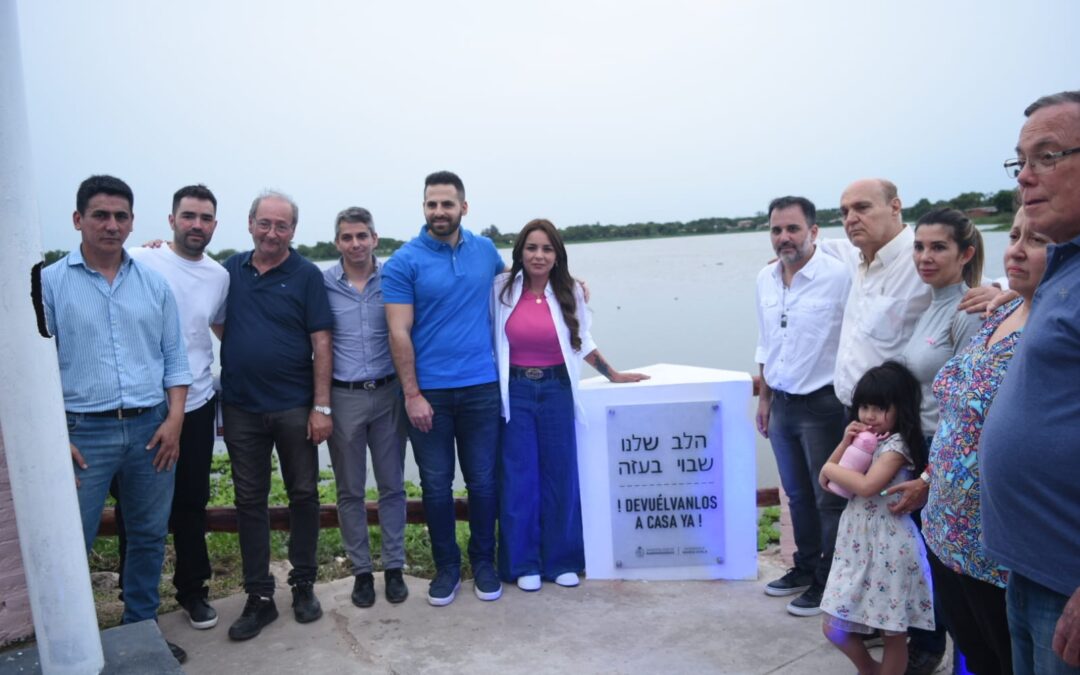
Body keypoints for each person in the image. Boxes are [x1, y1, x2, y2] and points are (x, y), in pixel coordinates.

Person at [42, 175, 192, 663]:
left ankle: (140, 633)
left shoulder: (154, 283)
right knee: (72, 542)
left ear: (132, 221)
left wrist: (174, 421)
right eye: (101, 215)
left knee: (149, 535)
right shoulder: (49, 284)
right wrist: (52, 435)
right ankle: (73, 643)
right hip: (84, 433)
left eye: (121, 216)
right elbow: (32, 365)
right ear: (77, 219)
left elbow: (175, 357)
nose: (112, 225)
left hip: (152, 429)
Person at [911, 208, 1048, 675]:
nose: (1017, 249)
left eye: (1039, 239)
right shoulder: (999, 308)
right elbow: (961, 417)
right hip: (947, 537)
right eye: (1014, 235)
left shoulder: (1053, 331)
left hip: (998, 552)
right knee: (976, 656)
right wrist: (929, 478)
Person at [493, 219, 647, 592]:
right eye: (532, 247)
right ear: (520, 252)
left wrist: (612, 374)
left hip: (558, 389)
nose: (539, 255)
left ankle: (562, 560)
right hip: (515, 390)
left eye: (547, 249)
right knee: (519, 478)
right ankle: (523, 563)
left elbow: (582, 340)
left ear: (558, 254)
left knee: (561, 475)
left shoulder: (571, 291)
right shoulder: (501, 288)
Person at [981, 90, 1080, 674]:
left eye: (1047, 155)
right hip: (1031, 568)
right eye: (1020, 160)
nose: (1025, 176)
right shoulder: (1063, 270)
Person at [383, 171, 505, 607]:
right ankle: (447, 567)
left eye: (447, 204)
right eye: (432, 205)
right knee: (436, 486)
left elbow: (521, 290)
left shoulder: (486, 252)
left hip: (481, 388)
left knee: (484, 482)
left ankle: (484, 563)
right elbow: (399, 332)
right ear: (423, 209)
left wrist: (574, 285)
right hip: (429, 394)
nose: (439, 212)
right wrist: (412, 394)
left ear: (463, 208)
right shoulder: (404, 261)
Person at [218, 190, 334, 640]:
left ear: (293, 230)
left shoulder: (306, 275)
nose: (271, 232)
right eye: (264, 223)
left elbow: (321, 342)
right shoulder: (229, 270)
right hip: (243, 406)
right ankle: (259, 597)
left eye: (281, 225)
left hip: (294, 406)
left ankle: (303, 584)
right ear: (249, 224)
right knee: (250, 501)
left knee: (304, 494)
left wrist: (321, 406)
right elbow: (208, 309)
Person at [115, 185, 229, 631]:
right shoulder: (142, 260)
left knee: (191, 502)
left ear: (214, 225)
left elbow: (219, 330)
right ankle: (134, 603)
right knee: (135, 508)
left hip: (198, 403)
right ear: (170, 220)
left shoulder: (219, 276)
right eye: (188, 216)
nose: (196, 225)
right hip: (145, 407)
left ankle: (193, 591)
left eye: (204, 218)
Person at [754, 196, 851, 616]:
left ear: (813, 231)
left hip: (824, 404)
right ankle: (804, 567)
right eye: (776, 229)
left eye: (793, 229)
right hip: (782, 404)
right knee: (795, 494)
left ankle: (827, 582)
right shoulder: (765, 278)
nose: (784, 238)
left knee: (828, 497)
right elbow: (766, 339)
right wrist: (765, 399)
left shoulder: (839, 276)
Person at [819, 362, 933, 675]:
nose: (869, 415)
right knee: (833, 626)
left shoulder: (896, 446)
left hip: (889, 546)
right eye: (864, 407)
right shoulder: (864, 442)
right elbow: (826, 482)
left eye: (880, 408)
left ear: (901, 409)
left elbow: (867, 487)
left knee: (892, 633)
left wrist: (830, 468)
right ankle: (870, 670)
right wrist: (844, 443)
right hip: (858, 545)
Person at [323, 207, 409, 607]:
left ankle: (394, 567)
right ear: (337, 242)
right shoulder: (321, 283)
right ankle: (361, 571)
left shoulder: (396, 277)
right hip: (344, 397)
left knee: (392, 485)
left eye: (362, 236)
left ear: (375, 238)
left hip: (389, 393)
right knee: (350, 490)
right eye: (347, 237)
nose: (355, 244)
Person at [900, 208, 984, 439]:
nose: (924, 257)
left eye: (938, 247)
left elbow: (969, 403)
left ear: (966, 255)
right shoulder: (928, 310)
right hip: (918, 440)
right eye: (918, 247)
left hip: (944, 448)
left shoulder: (970, 312)